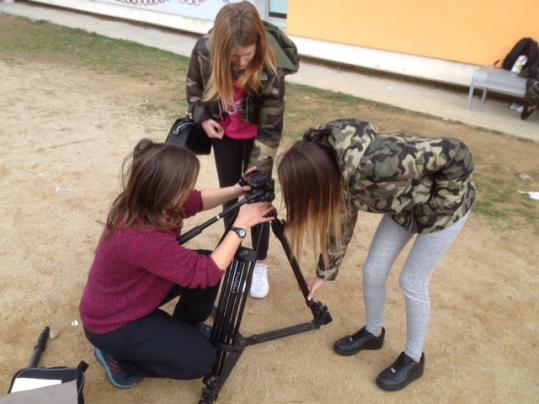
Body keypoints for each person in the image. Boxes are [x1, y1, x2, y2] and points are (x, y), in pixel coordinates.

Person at [277, 118, 476, 391]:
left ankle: (414, 357)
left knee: (412, 281)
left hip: (445, 211)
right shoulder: (337, 174)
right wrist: (325, 272)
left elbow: (456, 152)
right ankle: (373, 332)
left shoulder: (378, 164)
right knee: (373, 270)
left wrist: (436, 204)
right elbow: (342, 221)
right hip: (405, 208)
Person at [79, 139, 274, 389]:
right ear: (165, 191)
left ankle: (184, 329)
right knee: (201, 360)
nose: (190, 190)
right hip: (113, 323)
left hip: (132, 294)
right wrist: (242, 225)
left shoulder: (145, 200)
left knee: (204, 258)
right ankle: (119, 360)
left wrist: (237, 190)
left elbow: (195, 200)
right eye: (185, 186)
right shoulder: (141, 239)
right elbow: (207, 273)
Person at [186, 1, 298, 299]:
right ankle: (234, 258)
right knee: (231, 196)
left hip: (258, 141)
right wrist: (204, 119)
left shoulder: (271, 65)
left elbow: (272, 127)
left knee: (257, 198)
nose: (240, 63)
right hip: (224, 136)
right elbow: (193, 89)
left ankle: (259, 263)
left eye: (246, 55)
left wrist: (258, 168)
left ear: (258, 46)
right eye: (233, 56)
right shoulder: (204, 50)